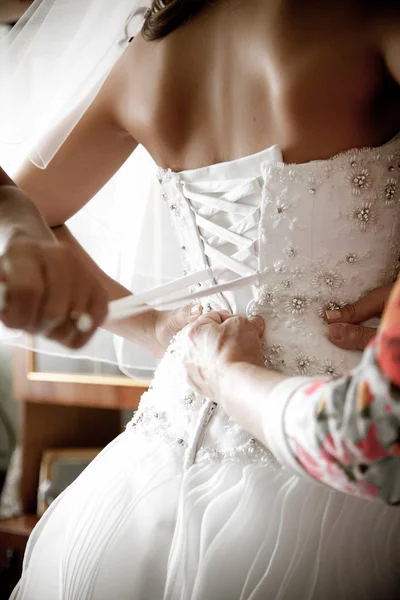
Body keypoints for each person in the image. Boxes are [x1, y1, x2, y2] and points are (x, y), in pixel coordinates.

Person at [2, 0, 400, 598]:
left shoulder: (147, 57)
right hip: (335, 437)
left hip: (163, 456)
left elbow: (29, 212)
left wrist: (160, 326)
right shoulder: (370, 21)